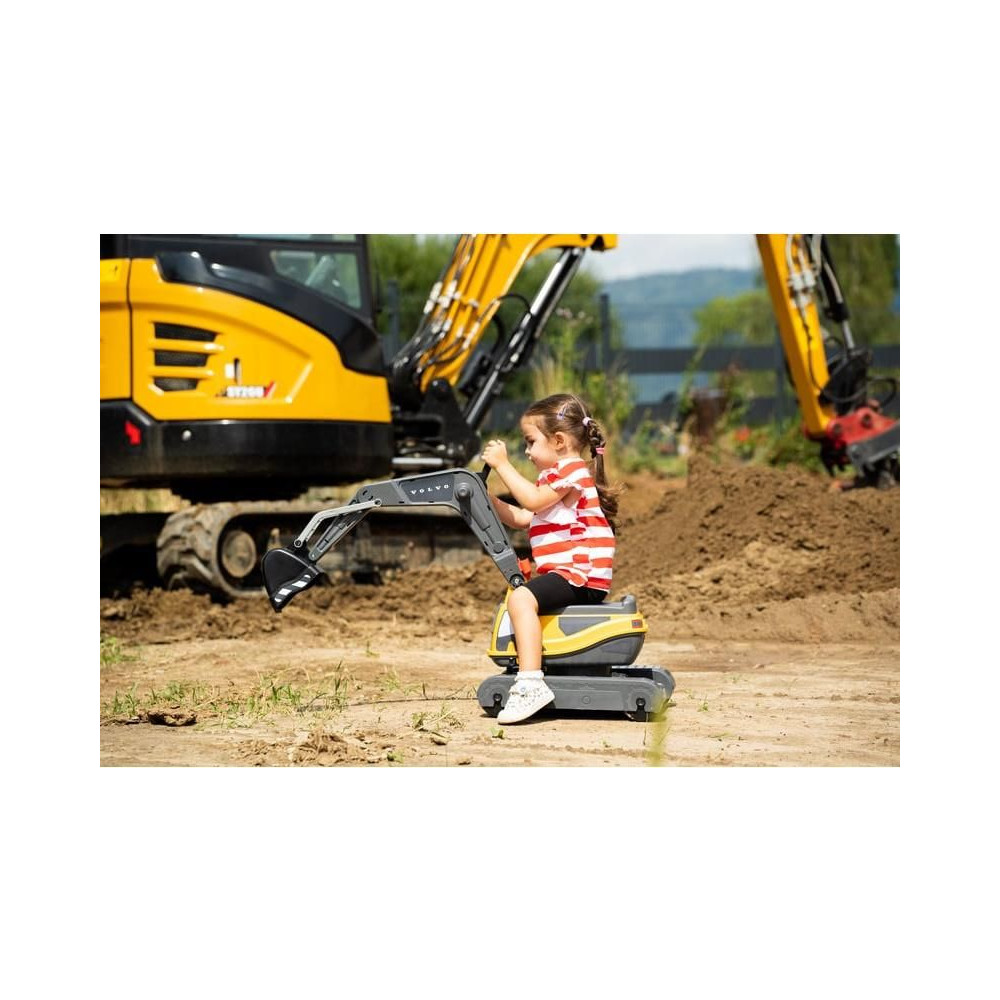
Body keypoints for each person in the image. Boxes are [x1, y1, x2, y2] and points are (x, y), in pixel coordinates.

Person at [481, 393, 620, 724]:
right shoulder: (554, 478)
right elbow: (523, 517)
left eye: (531, 442)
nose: (527, 452)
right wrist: (484, 499)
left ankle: (531, 683)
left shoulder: (571, 471)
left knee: (520, 599)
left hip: (579, 575)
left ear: (558, 441)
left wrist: (502, 465)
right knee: (521, 598)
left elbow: (530, 501)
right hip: (572, 574)